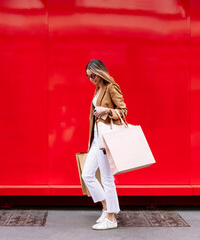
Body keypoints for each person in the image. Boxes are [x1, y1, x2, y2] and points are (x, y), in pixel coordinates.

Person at [81, 59, 127, 230]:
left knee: (107, 178)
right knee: (87, 175)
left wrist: (107, 110)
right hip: (96, 138)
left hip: (106, 138)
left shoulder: (111, 87)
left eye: (93, 75)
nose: (91, 79)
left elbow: (123, 110)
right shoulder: (98, 88)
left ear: (100, 72)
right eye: (88, 76)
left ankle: (111, 218)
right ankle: (107, 207)